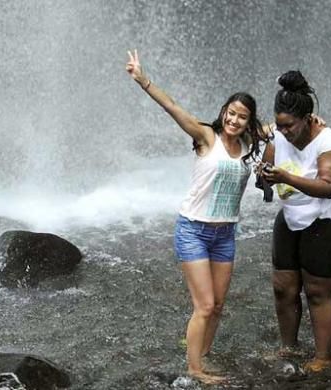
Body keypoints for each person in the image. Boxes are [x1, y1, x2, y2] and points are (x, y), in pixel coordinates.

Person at [125, 50, 266, 384]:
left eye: (241, 117)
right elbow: (173, 107)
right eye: (230, 113)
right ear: (223, 113)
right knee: (204, 305)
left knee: (217, 306)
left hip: (225, 235)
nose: (234, 121)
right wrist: (143, 80)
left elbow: (283, 125)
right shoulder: (206, 136)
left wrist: (311, 118)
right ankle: (195, 371)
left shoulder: (250, 144)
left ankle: (199, 354)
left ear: (249, 122)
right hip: (193, 231)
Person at [258, 70, 331, 373]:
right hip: (293, 214)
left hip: (330, 218)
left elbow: (329, 186)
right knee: (283, 286)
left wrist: (286, 177)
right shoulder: (277, 135)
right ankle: (288, 347)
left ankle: (323, 357)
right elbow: (266, 173)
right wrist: (264, 179)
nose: (283, 131)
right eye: (278, 125)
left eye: (288, 125)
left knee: (317, 290)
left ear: (307, 118)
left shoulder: (328, 141)